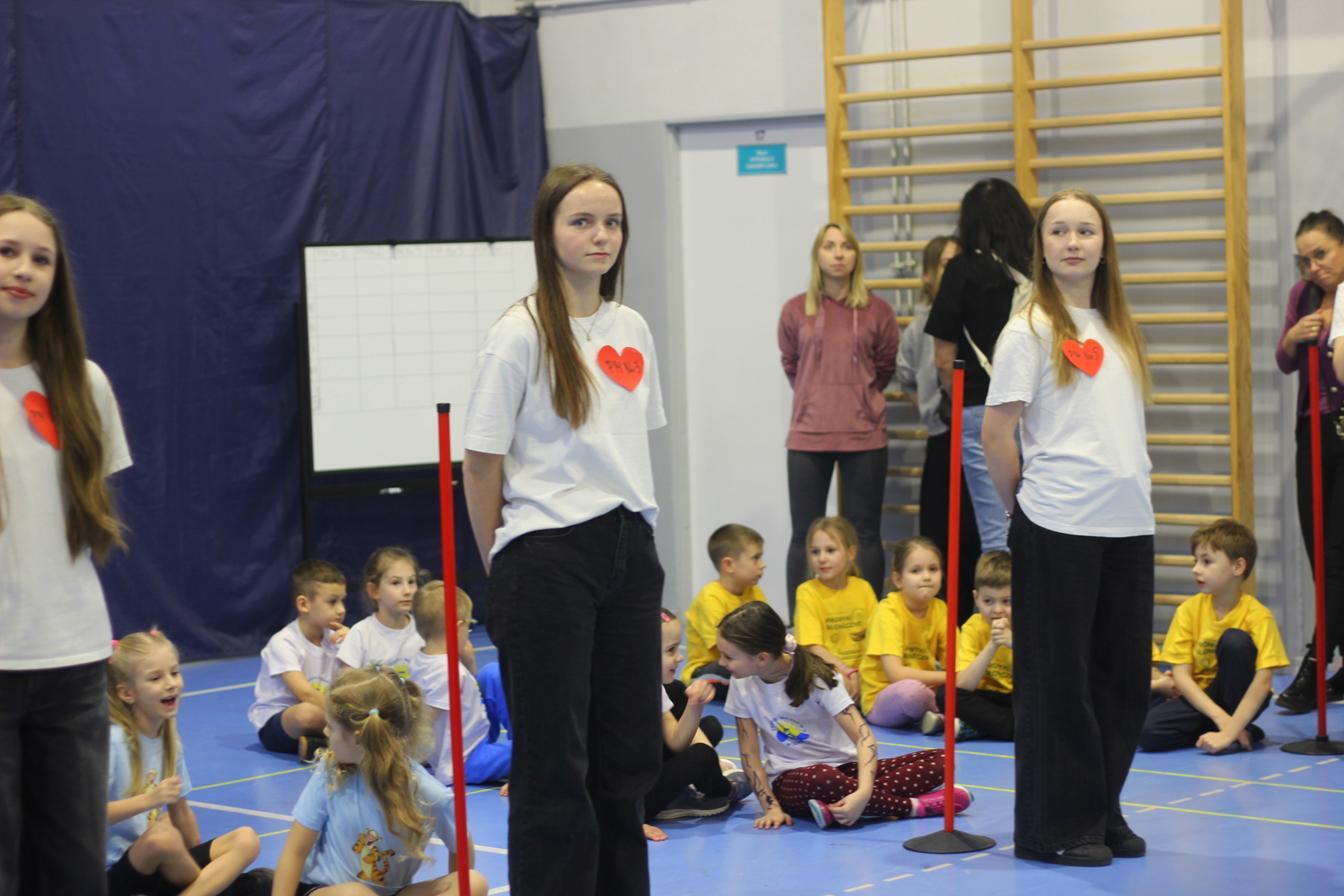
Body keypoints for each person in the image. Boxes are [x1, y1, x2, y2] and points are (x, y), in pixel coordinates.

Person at [462, 164, 665, 896]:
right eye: (581, 221)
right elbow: (480, 464)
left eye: (612, 222)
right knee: (554, 763)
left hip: (628, 550)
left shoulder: (631, 328)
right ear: (547, 232)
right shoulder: (517, 334)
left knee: (626, 756)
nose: (600, 235)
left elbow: (627, 446)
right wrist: (506, 566)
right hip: (546, 556)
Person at [982, 188, 1154, 867]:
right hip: (1057, 523)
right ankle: (1054, 828)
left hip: (1127, 526)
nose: (1073, 242)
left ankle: (1101, 810)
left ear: (1104, 245)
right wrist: (1021, 509)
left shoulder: (1117, 327)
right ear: (1042, 245)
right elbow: (998, 433)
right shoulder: (1027, 329)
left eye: (1086, 230)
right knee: (1059, 684)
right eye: (1059, 231)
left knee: (1122, 682)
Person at [0, 193, 133, 896]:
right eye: (7, 252)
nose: (23, 270)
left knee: (74, 871)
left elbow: (82, 512)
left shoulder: (85, 385)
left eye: (41, 259)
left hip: (73, 667)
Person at [717, 602, 968, 830]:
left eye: (728, 656)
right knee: (821, 778)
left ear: (762, 658)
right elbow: (750, 755)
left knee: (943, 760)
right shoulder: (742, 683)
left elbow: (864, 737)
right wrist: (771, 807)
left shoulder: (819, 677)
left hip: (845, 770)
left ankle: (839, 808)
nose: (721, 662)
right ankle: (912, 807)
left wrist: (864, 792)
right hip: (793, 781)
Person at [272, 668, 488, 896]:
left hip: (391, 893)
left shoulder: (430, 794)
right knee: (355, 894)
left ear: (358, 738)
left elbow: (461, 849)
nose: (325, 732)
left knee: (473, 882)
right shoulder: (332, 772)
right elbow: (295, 852)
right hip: (326, 890)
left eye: (331, 727)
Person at [778, 222, 900, 614]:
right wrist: (815, 394)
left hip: (864, 434)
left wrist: (856, 397)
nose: (838, 253)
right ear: (817, 255)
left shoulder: (878, 311)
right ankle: (800, 627)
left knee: (865, 533)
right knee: (804, 534)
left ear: (855, 256)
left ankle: (871, 621)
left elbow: (885, 366)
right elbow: (791, 363)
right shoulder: (795, 310)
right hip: (808, 434)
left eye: (846, 246)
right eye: (829, 246)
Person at [106, 631, 270, 896]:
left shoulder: (169, 739)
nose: (171, 684)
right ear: (127, 693)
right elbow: (88, 816)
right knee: (163, 835)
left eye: (174, 673)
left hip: (157, 867)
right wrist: (149, 800)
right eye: (156, 678)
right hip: (112, 873)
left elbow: (181, 811)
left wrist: (196, 860)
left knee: (246, 839)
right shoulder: (113, 743)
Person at [926, 178, 1035, 553]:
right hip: (1039, 410)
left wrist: (957, 395)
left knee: (997, 528)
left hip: (980, 407)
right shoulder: (1040, 271)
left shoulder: (961, 270)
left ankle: (1001, 594)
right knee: (1045, 526)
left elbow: (943, 358)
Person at [1139, 520, 1289, 753]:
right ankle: (1241, 731)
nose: (1196, 569)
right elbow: (1181, 675)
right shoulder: (1188, 610)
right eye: (1195, 561)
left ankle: (1234, 730)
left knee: (1234, 641)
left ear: (1238, 566)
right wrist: (1223, 721)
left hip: (1239, 696)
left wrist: (1228, 731)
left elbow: (1263, 681)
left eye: (1206, 561)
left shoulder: (1258, 616)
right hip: (1201, 696)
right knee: (1148, 733)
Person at [897, 236, 980, 622]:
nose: (954, 272)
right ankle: (945, 624)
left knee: (976, 535)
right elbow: (907, 377)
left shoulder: (979, 319)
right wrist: (932, 412)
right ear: (929, 275)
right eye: (946, 264)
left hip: (978, 438)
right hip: (942, 440)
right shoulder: (919, 329)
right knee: (941, 538)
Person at [1282, 209, 1344, 711]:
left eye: (1321, 254)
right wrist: (1294, 336)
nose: (1313, 267)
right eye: (1304, 260)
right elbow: (1284, 361)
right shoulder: (1302, 296)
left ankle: (1314, 665)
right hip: (1312, 429)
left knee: (1338, 555)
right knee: (1320, 553)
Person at [642, 609, 749, 841]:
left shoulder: (653, 686)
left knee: (709, 726)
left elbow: (676, 742)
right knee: (702, 756)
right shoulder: (621, 697)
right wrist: (627, 818)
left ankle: (679, 792)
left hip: (649, 771)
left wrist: (694, 705)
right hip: (633, 799)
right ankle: (726, 789)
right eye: (671, 650)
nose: (680, 657)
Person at [407, 581, 511, 786]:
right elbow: (423, 721)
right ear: (458, 627)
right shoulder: (446, 672)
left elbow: (465, 696)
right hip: (465, 761)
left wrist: (468, 661)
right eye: (468, 626)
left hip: (473, 734)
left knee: (491, 674)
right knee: (532, 750)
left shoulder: (420, 659)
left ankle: (520, 739)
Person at [249, 559, 348, 760]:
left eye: (342, 600)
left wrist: (353, 646)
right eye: (332, 602)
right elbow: (306, 694)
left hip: (326, 717)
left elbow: (353, 684)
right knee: (307, 714)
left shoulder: (338, 639)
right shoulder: (283, 642)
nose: (341, 609)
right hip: (280, 723)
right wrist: (350, 721)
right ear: (304, 604)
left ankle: (319, 745)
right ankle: (347, 740)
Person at [924, 550, 1014, 741]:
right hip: (987, 698)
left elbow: (1041, 683)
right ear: (976, 598)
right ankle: (997, 727)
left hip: (1017, 700)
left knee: (1042, 712)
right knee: (946, 695)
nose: (997, 610)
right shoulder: (973, 627)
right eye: (988, 601)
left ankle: (972, 726)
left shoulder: (1028, 628)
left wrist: (1013, 643)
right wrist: (993, 644)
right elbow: (964, 685)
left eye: (1007, 601)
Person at [857, 537, 947, 729]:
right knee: (912, 693)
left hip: (928, 689)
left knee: (970, 689)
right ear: (898, 580)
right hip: (884, 698)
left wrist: (959, 680)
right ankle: (943, 716)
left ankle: (938, 716)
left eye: (933, 569)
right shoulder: (888, 611)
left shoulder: (941, 609)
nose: (926, 577)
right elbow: (896, 674)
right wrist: (950, 678)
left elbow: (957, 666)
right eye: (916, 571)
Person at [680, 523, 768, 700]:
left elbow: (766, 633)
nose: (763, 565)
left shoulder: (754, 592)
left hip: (744, 661)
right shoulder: (710, 598)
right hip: (712, 667)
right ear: (729, 565)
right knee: (747, 669)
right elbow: (725, 649)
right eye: (755, 558)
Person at [793, 516, 877, 700]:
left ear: (851, 553)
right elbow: (812, 647)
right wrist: (846, 671)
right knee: (833, 682)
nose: (822, 558)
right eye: (815, 552)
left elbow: (875, 638)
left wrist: (863, 673)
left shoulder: (863, 588)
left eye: (830, 550)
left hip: (863, 672)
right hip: (827, 669)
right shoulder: (807, 591)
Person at [337, 547, 424, 678]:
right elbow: (346, 686)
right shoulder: (360, 634)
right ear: (374, 591)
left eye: (411, 581)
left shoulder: (425, 630)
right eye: (396, 582)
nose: (407, 591)